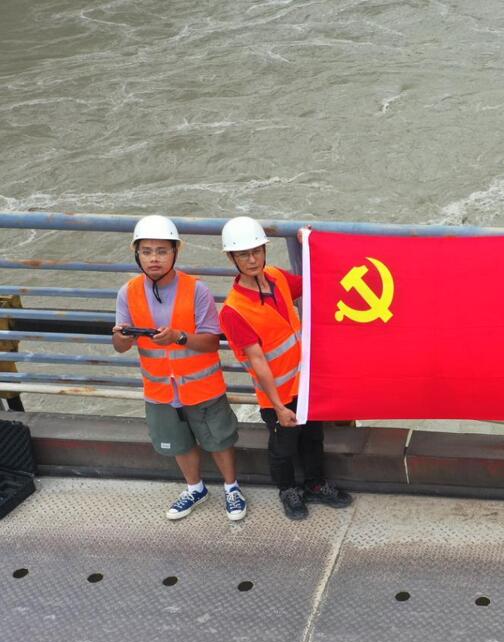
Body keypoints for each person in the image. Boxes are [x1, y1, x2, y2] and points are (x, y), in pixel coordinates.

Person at [112, 215, 247, 521]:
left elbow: (211, 342)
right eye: (147, 251)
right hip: (160, 389)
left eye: (162, 251)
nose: (154, 258)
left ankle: (232, 488)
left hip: (202, 386)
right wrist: (122, 337)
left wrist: (179, 337)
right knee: (178, 442)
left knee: (219, 439)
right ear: (136, 254)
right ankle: (195, 488)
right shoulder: (127, 293)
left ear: (175, 252)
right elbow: (120, 346)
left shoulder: (196, 289)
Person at [218, 216, 351, 520]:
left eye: (256, 251)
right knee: (283, 447)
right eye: (243, 254)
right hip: (277, 395)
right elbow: (258, 361)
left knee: (313, 438)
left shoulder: (276, 277)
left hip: (304, 384)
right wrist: (278, 407)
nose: (252, 260)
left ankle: (315, 484)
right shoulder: (234, 311)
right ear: (231, 258)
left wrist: (312, 247)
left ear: (265, 250)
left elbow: (312, 283)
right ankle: (287, 490)